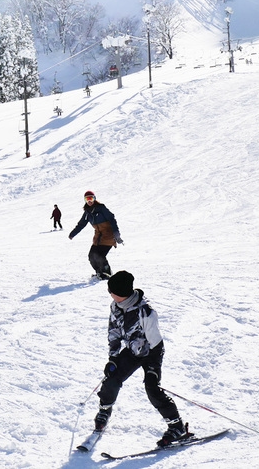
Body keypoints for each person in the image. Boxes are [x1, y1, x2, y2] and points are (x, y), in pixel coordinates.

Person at [94, 271, 190, 447]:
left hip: (151, 352)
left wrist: (153, 369)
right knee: (112, 378)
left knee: (152, 388)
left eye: (111, 291)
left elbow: (156, 344)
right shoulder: (116, 306)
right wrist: (113, 358)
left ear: (121, 293)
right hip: (132, 350)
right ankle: (105, 409)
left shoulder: (146, 312)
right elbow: (114, 332)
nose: (109, 293)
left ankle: (177, 426)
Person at [68, 190, 122, 280]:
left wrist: (116, 233)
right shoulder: (87, 212)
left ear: (94, 198)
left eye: (91, 198)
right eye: (87, 199)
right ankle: (99, 272)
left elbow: (112, 219)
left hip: (108, 235)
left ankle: (107, 273)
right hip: (98, 237)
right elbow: (81, 224)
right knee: (91, 256)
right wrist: (73, 234)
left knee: (100, 255)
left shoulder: (101, 208)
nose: (89, 201)